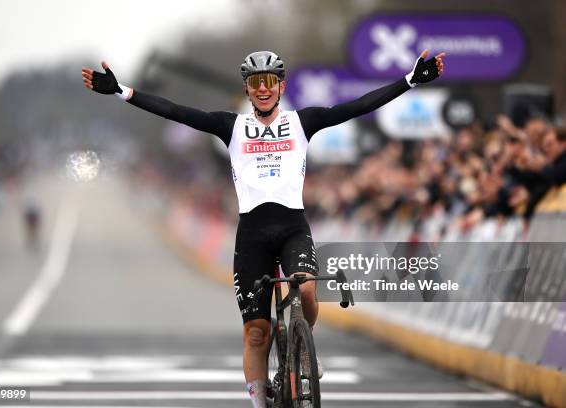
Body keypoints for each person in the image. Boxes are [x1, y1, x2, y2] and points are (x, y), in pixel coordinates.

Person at [82, 49, 444, 408]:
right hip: (252, 236)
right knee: (257, 332)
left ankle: (304, 349)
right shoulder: (232, 126)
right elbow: (176, 111)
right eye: (256, 83)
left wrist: (409, 80)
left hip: (292, 227)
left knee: (305, 289)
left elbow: (357, 106)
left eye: (270, 81)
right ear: (247, 89)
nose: (263, 89)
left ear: (281, 86)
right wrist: (122, 91)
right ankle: (259, 402)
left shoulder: (303, 122)